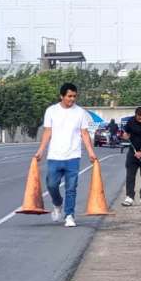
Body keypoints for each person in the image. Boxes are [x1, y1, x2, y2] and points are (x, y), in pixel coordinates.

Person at [34, 83, 98, 228]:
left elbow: (84, 134)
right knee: (51, 184)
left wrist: (91, 152)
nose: (72, 99)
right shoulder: (51, 111)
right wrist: (41, 150)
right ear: (61, 96)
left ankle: (69, 215)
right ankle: (57, 204)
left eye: (74, 96)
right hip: (55, 156)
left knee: (71, 188)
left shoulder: (80, 112)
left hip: (73, 156)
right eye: (69, 96)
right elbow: (47, 132)